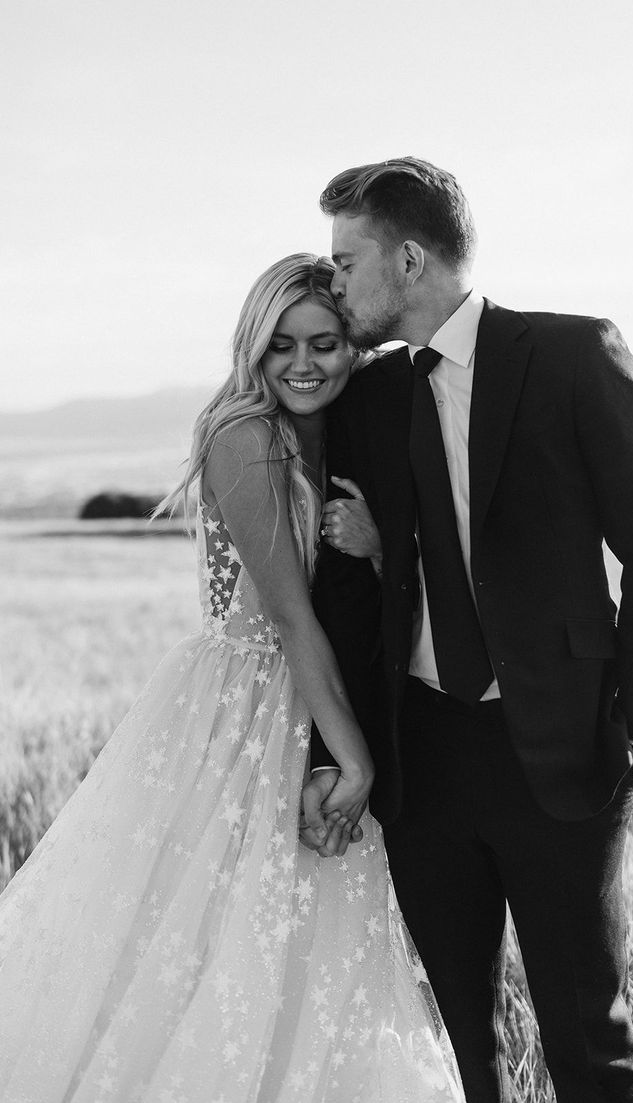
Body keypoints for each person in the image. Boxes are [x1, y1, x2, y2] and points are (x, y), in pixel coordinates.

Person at [0, 254, 465, 1103]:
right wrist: (354, 762)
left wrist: (379, 544)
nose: (303, 362)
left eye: (325, 342)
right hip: (246, 711)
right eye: (281, 343)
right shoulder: (243, 435)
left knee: (310, 940)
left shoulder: (351, 427)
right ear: (254, 347)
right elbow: (291, 620)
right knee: (217, 933)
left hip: (321, 700)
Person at [301, 159, 633, 1103]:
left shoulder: (572, 356)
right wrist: (334, 748)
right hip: (423, 752)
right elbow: (353, 599)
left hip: (558, 742)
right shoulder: (368, 398)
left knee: (586, 1029)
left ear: (407, 257)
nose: (334, 280)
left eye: (345, 261)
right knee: (456, 1034)